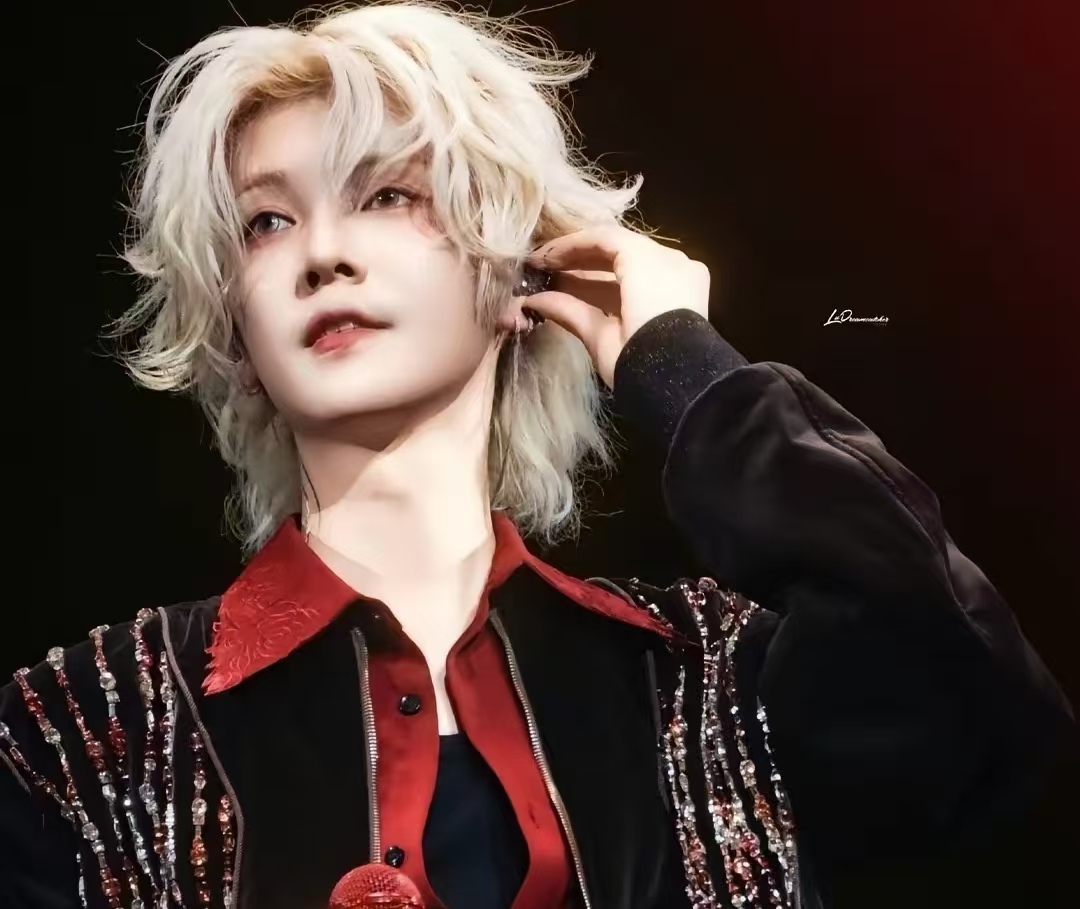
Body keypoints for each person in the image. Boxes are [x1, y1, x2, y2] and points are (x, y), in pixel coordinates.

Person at [1, 2, 1072, 908]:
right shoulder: (88, 729)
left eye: (386, 194)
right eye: (265, 223)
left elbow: (980, 707)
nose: (321, 252)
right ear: (235, 330)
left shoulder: (704, 681)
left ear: (517, 271)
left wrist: (687, 374)